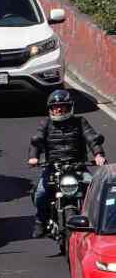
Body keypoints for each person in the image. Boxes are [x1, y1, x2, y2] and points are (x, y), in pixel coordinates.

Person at [29, 89, 107, 237]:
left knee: (94, 191)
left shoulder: (80, 122)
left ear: (69, 107)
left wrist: (98, 154)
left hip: (77, 167)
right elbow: (37, 141)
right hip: (53, 168)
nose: (58, 109)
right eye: (55, 106)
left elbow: (92, 138)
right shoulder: (45, 123)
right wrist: (34, 157)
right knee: (40, 193)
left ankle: (97, 222)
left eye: (62, 106)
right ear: (50, 109)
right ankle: (40, 220)